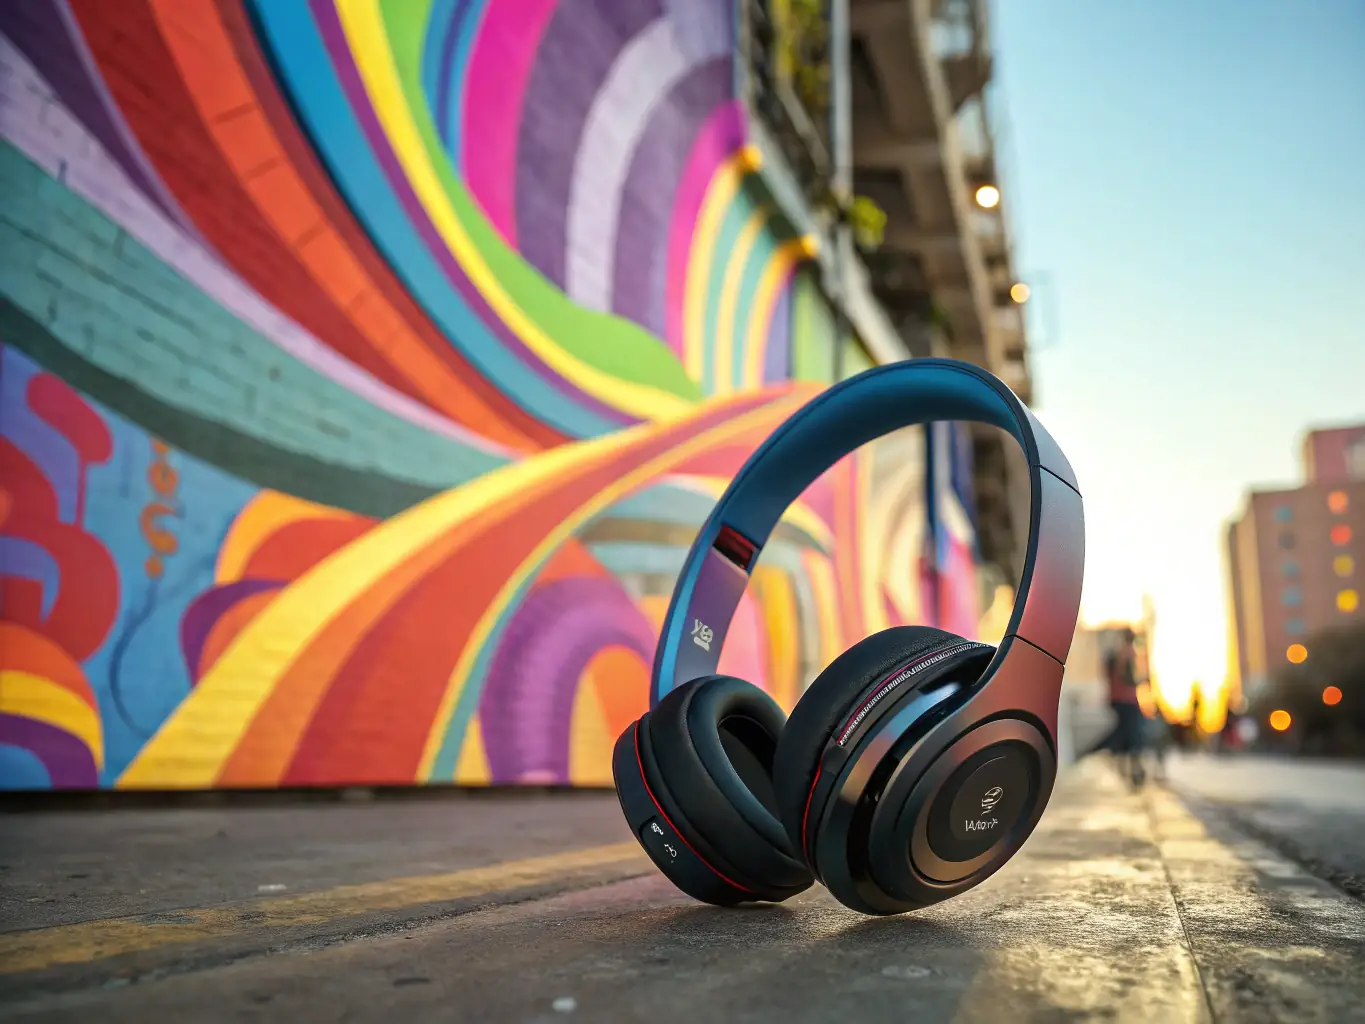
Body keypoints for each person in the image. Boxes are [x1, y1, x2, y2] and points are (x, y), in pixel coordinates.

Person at [1080, 628, 1146, 786]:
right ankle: (1131, 768)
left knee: (1123, 732)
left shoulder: (1116, 654)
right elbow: (1129, 678)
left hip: (1116, 699)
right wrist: (1143, 679)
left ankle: (1124, 766)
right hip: (1128, 699)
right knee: (1132, 734)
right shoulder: (1128, 653)